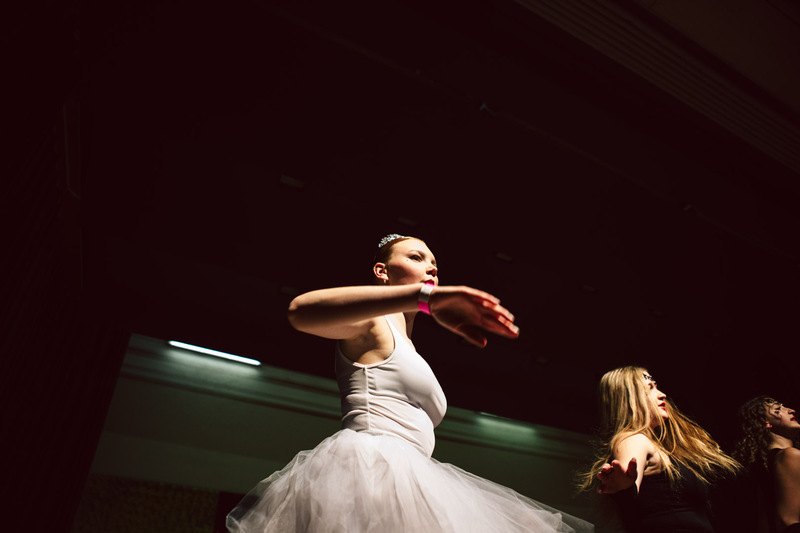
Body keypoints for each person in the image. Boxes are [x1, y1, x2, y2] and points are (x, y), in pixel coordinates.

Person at [226, 234, 593, 532]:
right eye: (416, 257)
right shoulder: (373, 323)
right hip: (369, 467)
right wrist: (425, 299)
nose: (431, 267)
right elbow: (299, 312)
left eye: (434, 265)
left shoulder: (410, 348)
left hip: (414, 475)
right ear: (382, 271)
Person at [578, 366, 740, 532]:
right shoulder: (633, 439)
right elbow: (629, 495)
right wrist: (624, 488)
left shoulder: (651, 443)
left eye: (656, 386)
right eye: (650, 388)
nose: (662, 394)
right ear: (630, 398)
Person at [732, 396, 800, 532]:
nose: (791, 410)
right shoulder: (789, 456)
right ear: (765, 422)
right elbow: (787, 521)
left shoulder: (763, 464)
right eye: (778, 409)